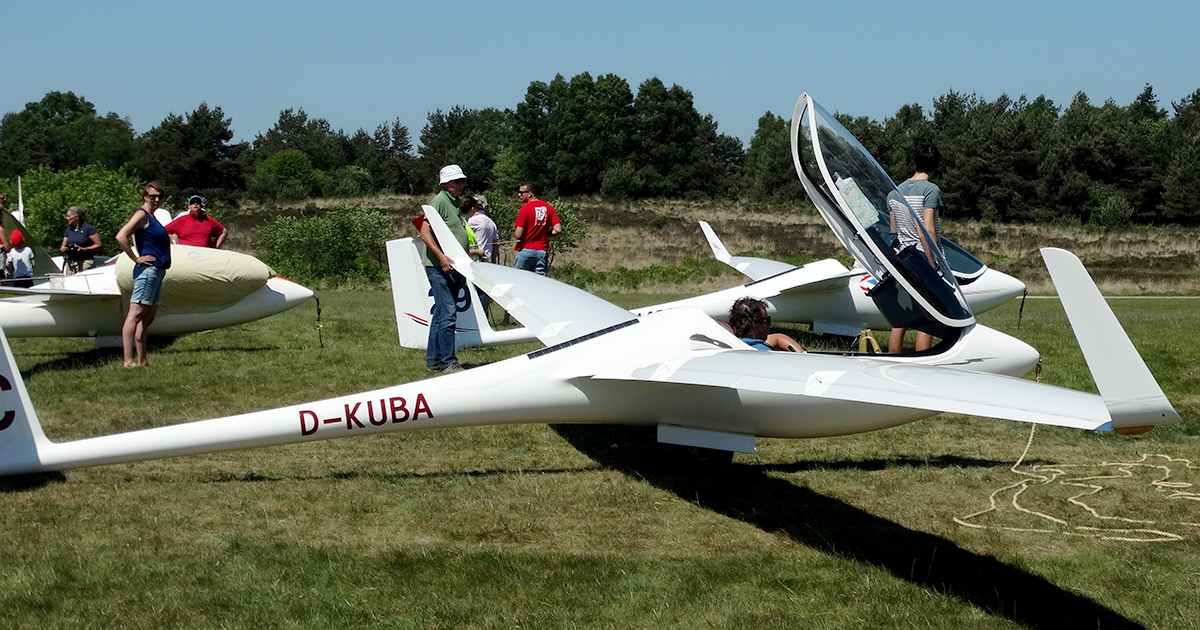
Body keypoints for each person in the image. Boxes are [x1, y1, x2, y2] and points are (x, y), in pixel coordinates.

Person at [889, 142, 944, 354]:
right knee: (929, 314)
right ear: (935, 165)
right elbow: (928, 229)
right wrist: (933, 264)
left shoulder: (894, 192)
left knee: (902, 316)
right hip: (923, 258)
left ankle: (894, 358)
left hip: (902, 259)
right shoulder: (931, 190)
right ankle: (922, 361)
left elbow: (894, 232)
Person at [417, 165, 472, 373]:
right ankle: (449, 361)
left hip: (453, 266)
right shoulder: (439, 201)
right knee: (448, 314)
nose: (461, 185)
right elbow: (424, 232)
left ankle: (434, 360)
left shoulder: (454, 203)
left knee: (441, 314)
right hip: (439, 267)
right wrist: (441, 257)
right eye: (458, 182)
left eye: (462, 181)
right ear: (446, 184)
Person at [115, 181, 172, 368]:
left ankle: (142, 359)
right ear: (145, 196)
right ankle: (128, 360)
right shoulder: (141, 215)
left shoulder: (153, 218)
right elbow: (121, 235)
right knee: (135, 314)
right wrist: (135, 258)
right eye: (152, 196)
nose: (155, 200)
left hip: (157, 271)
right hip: (147, 271)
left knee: (147, 318)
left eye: (159, 196)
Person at [512, 182, 562, 275]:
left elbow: (518, 235)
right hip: (541, 251)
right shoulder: (549, 208)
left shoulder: (525, 208)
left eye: (521, 192)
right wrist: (545, 234)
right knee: (539, 283)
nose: (519, 195)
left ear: (530, 193)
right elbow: (558, 229)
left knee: (520, 280)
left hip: (525, 250)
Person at [728, 297, 804, 352]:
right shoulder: (765, 353)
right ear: (754, 325)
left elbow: (777, 337)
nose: (769, 325)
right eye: (767, 320)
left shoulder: (732, 342)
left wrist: (802, 354)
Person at [60, 206, 102, 274]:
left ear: (76, 217)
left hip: (85, 262)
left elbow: (98, 244)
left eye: (69, 216)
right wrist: (64, 248)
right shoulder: (69, 229)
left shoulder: (87, 228)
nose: (66, 218)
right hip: (71, 263)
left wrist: (84, 249)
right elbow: (62, 246)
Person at [467, 194, 498, 264]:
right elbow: (496, 244)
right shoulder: (491, 222)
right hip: (488, 259)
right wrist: (493, 261)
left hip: (476, 259)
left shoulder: (472, 220)